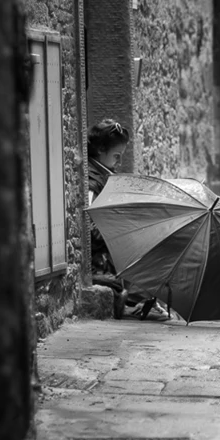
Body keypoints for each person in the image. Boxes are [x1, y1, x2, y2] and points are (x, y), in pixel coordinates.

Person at [86, 119, 169, 321]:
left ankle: (140, 298)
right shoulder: (92, 182)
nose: (119, 162)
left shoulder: (106, 177)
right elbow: (89, 224)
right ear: (99, 151)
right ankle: (134, 298)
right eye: (116, 156)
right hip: (100, 257)